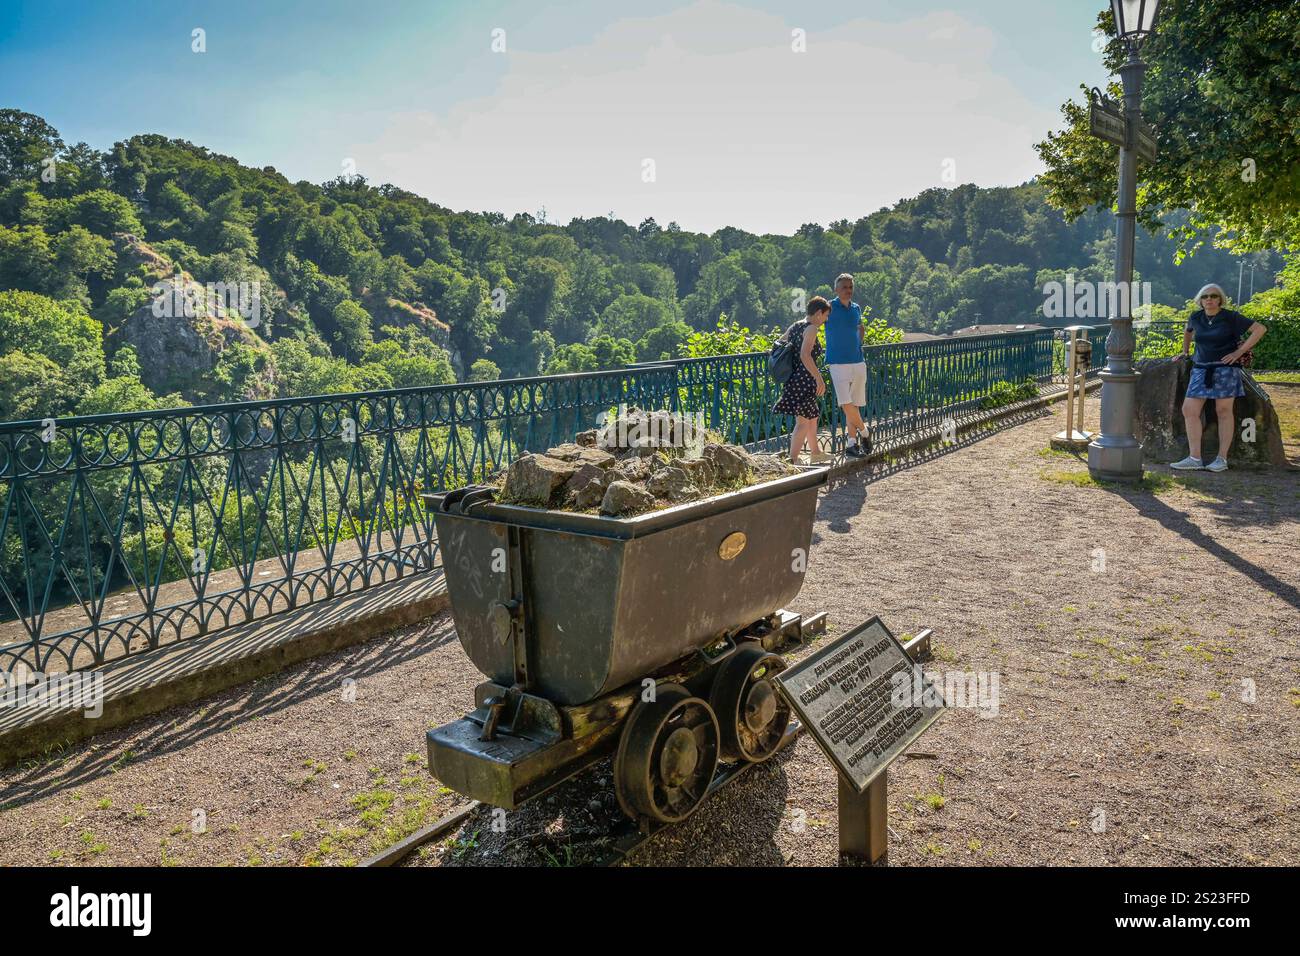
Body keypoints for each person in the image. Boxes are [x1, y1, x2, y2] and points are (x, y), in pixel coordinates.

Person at [1170, 283, 1267, 472]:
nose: (1209, 299)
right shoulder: (1196, 317)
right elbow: (1188, 332)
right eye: (1205, 296)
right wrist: (1185, 352)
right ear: (1200, 300)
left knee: (1223, 411)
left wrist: (1238, 352)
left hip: (1226, 369)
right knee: (1189, 410)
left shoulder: (1231, 317)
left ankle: (1221, 459)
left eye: (1213, 296)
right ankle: (1194, 458)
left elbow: (1260, 329)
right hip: (1201, 369)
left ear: (1220, 299)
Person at [773, 296, 832, 464]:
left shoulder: (795, 326)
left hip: (793, 379)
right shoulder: (812, 328)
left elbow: (778, 343)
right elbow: (805, 355)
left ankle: (816, 453)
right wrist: (819, 379)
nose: (826, 320)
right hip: (805, 380)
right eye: (826, 316)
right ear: (819, 313)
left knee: (812, 417)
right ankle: (792, 459)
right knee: (803, 422)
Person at [824, 273, 871, 457]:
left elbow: (860, 327)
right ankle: (866, 433)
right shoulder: (829, 307)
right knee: (845, 403)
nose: (848, 290)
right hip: (837, 362)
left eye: (851, 287)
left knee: (855, 404)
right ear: (836, 289)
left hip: (858, 362)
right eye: (844, 287)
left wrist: (858, 344)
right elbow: (810, 322)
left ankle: (852, 444)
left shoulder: (856, 308)